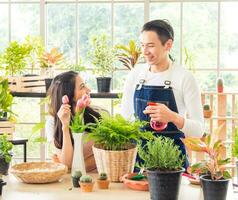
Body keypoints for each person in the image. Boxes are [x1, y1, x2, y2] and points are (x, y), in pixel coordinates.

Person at [121, 19, 204, 169]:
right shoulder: (135, 75)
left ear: (168, 45)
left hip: (172, 162)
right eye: (142, 45)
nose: (145, 51)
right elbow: (124, 120)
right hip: (138, 162)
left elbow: (199, 130)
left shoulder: (184, 78)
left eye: (151, 46)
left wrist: (173, 117)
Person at [46, 71, 101, 171]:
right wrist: (65, 126)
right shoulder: (52, 122)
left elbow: (103, 155)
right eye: (82, 86)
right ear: (69, 95)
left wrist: (72, 167)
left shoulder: (96, 115)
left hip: (96, 177)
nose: (89, 89)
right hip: (68, 182)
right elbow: (67, 162)